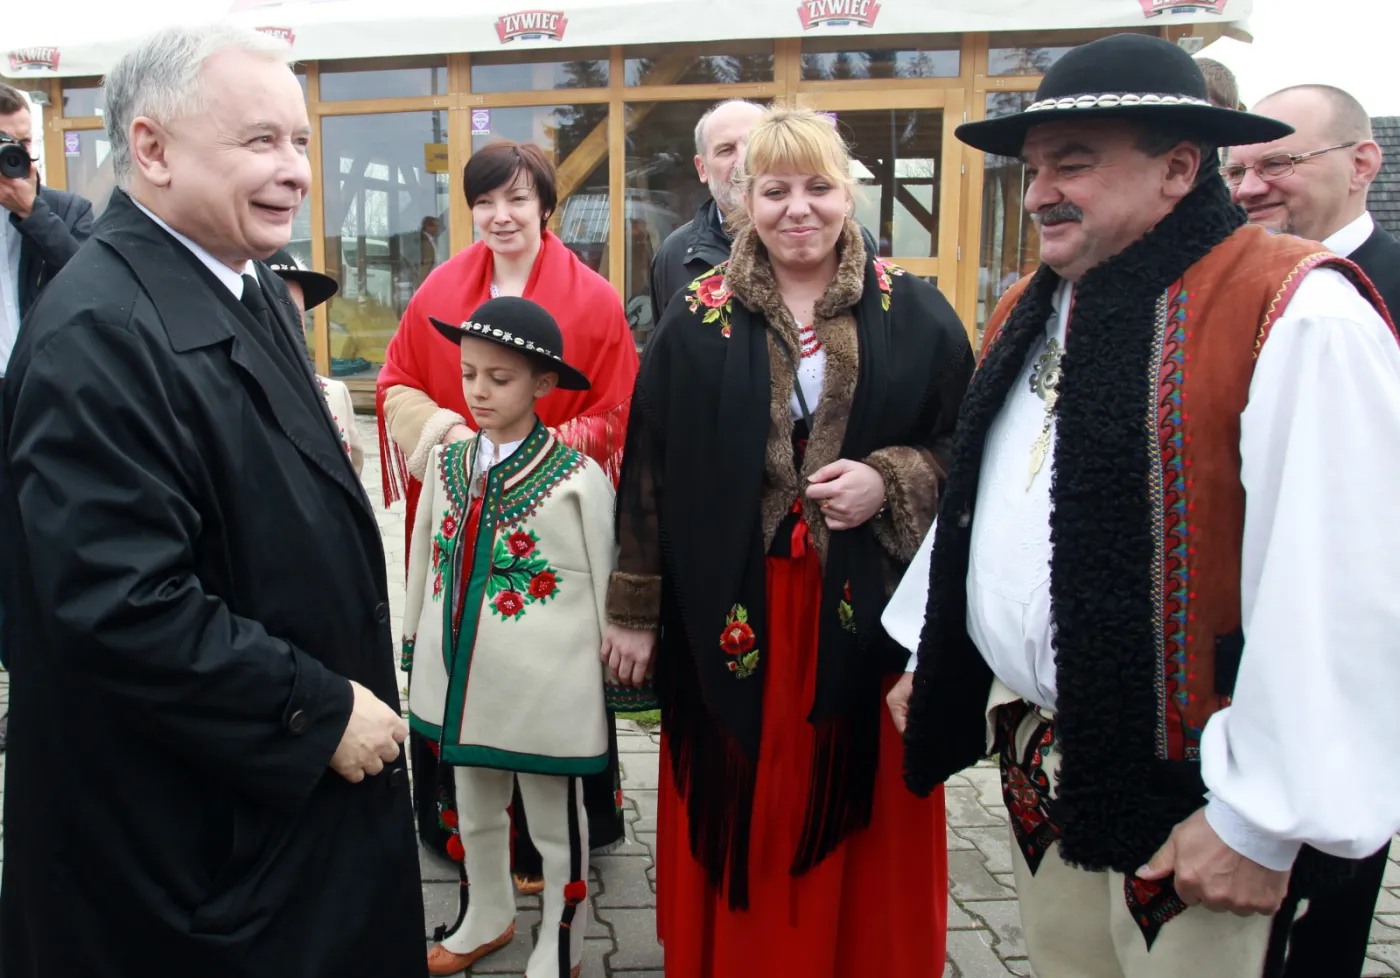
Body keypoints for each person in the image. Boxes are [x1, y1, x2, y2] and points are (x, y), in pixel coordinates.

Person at [885, 34, 1400, 978]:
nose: (1037, 192)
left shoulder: (1296, 311)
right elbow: (993, 498)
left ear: (1177, 168)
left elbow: (1345, 591)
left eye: (1071, 166)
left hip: (1200, 807)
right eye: (1033, 169)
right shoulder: (1034, 307)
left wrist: (1259, 818)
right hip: (1047, 771)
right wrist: (935, 645)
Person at [0, 25, 425, 976]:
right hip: (197, 857)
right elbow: (120, 607)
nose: (296, 172)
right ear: (151, 150)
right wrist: (314, 711)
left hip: (276, 825)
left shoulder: (253, 286)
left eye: (301, 142)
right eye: (260, 142)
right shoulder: (98, 336)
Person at [604, 106, 972, 977]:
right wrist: (635, 611)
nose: (797, 208)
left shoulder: (916, 312)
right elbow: (648, 467)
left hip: (868, 617)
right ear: (740, 200)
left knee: (868, 804)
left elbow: (971, 451)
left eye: (818, 187)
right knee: (752, 802)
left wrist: (892, 477)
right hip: (735, 612)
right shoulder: (693, 320)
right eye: (774, 190)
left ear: (849, 193)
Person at [377, 139, 637, 888]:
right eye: (485, 202)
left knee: (545, 667)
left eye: (518, 199)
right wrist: (451, 434)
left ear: (546, 207)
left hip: (549, 526)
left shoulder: (593, 298)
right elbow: (396, 383)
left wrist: (540, 450)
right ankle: (465, 844)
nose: (500, 215)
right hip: (460, 505)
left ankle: (555, 851)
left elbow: (620, 406)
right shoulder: (440, 289)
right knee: (458, 649)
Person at [1229, 83, 1399, 978]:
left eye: (1278, 163)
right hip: (1244, 657)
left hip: (1356, 645)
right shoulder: (1221, 291)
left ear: (1362, 162)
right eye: (1238, 169)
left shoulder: (1377, 297)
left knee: (1324, 907)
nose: (1252, 186)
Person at [405, 296, 614, 978]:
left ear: (544, 384)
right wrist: (414, 645)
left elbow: (608, 585)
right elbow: (422, 564)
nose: (479, 392)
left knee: (555, 818)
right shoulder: (444, 465)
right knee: (473, 802)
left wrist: (607, 671)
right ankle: (486, 916)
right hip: (459, 676)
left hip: (546, 686)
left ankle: (562, 937)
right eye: (469, 374)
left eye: (500, 378)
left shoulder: (579, 481)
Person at [0, 82, 94, 749]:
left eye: (25, 143)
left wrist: (33, 215)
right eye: (6, 146)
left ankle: (38, 689)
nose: (19, 157)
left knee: (36, 552)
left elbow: (95, 287)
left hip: (37, 404)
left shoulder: (65, 210)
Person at [647, 99, 767, 330]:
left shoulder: (824, 238)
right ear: (702, 168)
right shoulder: (674, 255)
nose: (743, 161)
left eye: (754, 145)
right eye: (726, 150)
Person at [263, 247, 365, 475]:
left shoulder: (334, 394)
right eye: (272, 313)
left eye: (296, 315)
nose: (286, 327)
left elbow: (351, 476)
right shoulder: (219, 397)